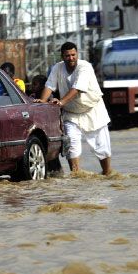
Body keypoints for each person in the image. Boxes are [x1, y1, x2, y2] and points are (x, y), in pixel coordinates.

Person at [36, 41, 112, 175]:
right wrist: (42, 101)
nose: (71, 58)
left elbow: (77, 88)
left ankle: (108, 173)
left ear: (77, 54)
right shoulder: (57, 68)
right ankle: (77, 177)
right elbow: (49, 86)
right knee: (71, 145)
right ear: (62, 57)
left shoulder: (85, 67)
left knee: (102, 148)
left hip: (93, 110)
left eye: (73, 55)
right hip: (72, 114)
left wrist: (61, 102)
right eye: (67, 56)